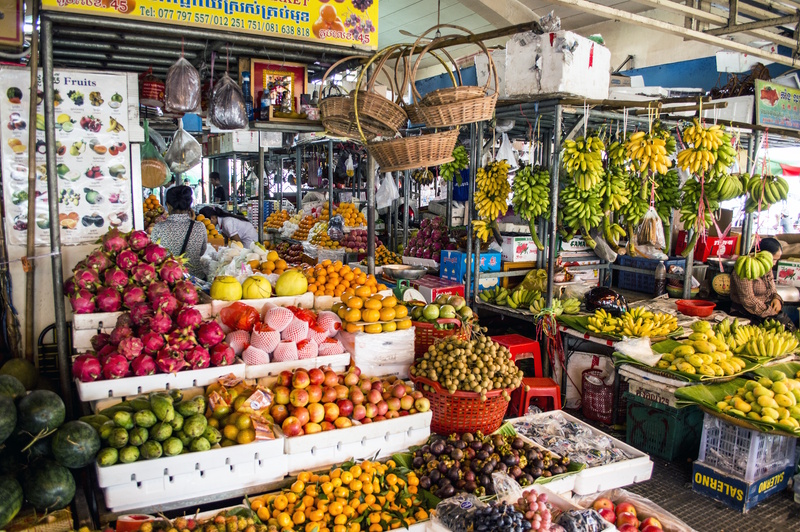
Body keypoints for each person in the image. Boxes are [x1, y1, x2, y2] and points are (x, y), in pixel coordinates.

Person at [730, 237, 795, 330]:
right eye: (774, 259)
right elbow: (748, 300)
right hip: (747, 313)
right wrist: (771, 312)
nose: (774, 263)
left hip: (767, 312)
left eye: (777, 260)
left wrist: (777, 299)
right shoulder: (745, 268)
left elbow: (772, 289)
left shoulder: (766, 267)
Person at [151, 186, 208, 280]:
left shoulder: (159, 228)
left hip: (170, 280)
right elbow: (202, 251)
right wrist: (192, 222)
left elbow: (154, 255)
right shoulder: (199, 227)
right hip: (195, 280)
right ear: (189, 205)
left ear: (168, 206)